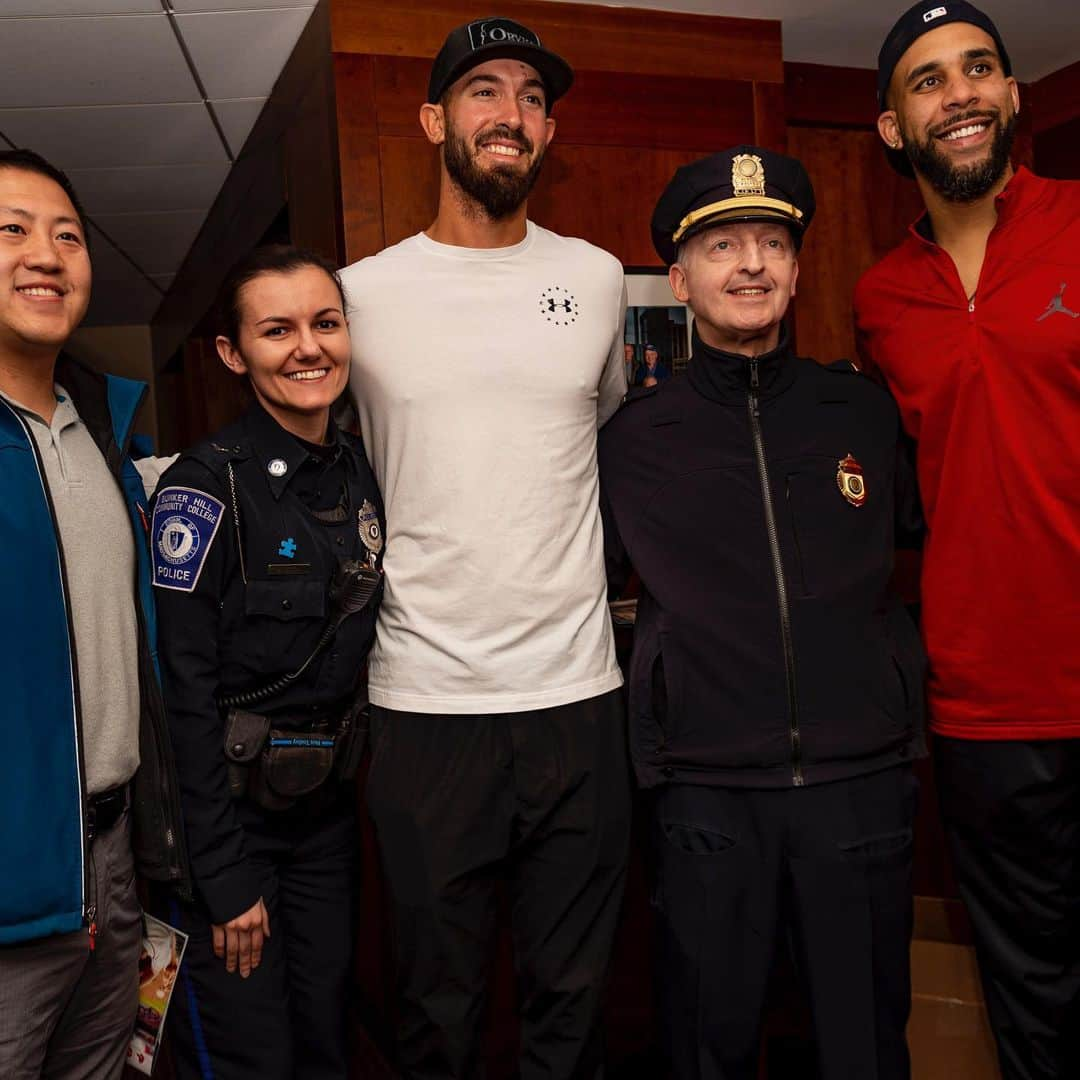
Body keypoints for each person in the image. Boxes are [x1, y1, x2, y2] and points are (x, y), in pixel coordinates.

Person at [339, 16, 630, 1079]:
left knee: (575, 1008)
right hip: (423, 709)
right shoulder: (361, 295)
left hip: (578, 700)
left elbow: (598, 439)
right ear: (432, 122)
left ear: (548, 134)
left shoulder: (596, 281)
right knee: (436, 1010)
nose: (511, 114)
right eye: (483, 91)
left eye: (532, 98)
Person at [599, 146, 927, 1080]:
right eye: (722, 246)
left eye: (771, 243)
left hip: (861, 785)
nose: (750, 264)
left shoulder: (859, 412)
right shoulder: (633, 440)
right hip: (706, 794)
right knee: (709, 1044)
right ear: (680, 278)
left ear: (794, 267)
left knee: (863, 1046)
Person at [855, 5, 1080, 1077]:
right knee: (1032, 985)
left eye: (980, 68)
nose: (962, 94)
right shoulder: (880, 298)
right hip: (986, 699)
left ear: (1014, 94)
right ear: (895, 128)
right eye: (929, 81)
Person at [152, 246, 384, 1078]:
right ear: (233, 352)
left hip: (325, 824)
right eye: (277, 330)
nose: (308, 348)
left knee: (326, 1041)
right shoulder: (204, 489)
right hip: (233, 830)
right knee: (256, 1058)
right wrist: (221, 874)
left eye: (325, 324)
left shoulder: (360, 471)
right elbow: (183, 694)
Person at [0, 148, 189, 1078]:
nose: (46, 253)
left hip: (115, 859)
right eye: (11, 230)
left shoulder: (105, 440)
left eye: (67, 235)